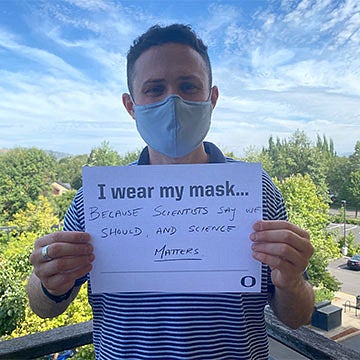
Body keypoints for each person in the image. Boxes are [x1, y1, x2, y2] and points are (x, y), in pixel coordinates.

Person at [27, 24, 315, 359]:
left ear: (213, 97)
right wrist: (48, 281)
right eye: (154, 89)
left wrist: (292, 282)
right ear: (131, 105)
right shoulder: (96, 199)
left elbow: (297, 318)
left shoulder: (258, 191)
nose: (172, 101)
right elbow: (44, 307)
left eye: (189, 86)